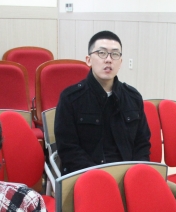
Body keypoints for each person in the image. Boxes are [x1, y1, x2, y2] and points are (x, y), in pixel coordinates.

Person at [54, 30, 151, 175]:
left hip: (128, 174)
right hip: (86, 175)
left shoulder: (133, 97)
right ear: (88, 60)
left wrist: (136, 174)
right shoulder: (70, 98)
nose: (109, 60)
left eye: (115, 54)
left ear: (120, 62)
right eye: (102, 53)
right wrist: (99, 176)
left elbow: (142, 144)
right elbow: (68, 149)